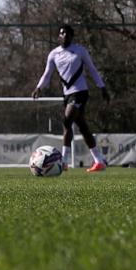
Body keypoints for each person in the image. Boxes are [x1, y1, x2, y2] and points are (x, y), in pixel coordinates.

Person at [31, 25, 111, 172]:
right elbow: (47, 74)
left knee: (67, 121)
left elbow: (92, 69)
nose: (64, 36)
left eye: (67, 34)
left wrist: (102, 87)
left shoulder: (80, 51)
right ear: (58, 36)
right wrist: (39, 87)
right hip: (67, 94)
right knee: (82, 126)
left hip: (80, 92)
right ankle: (99, 160)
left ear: (72, 36)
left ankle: (64, 161)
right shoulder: (54, 54)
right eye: (61, 34)